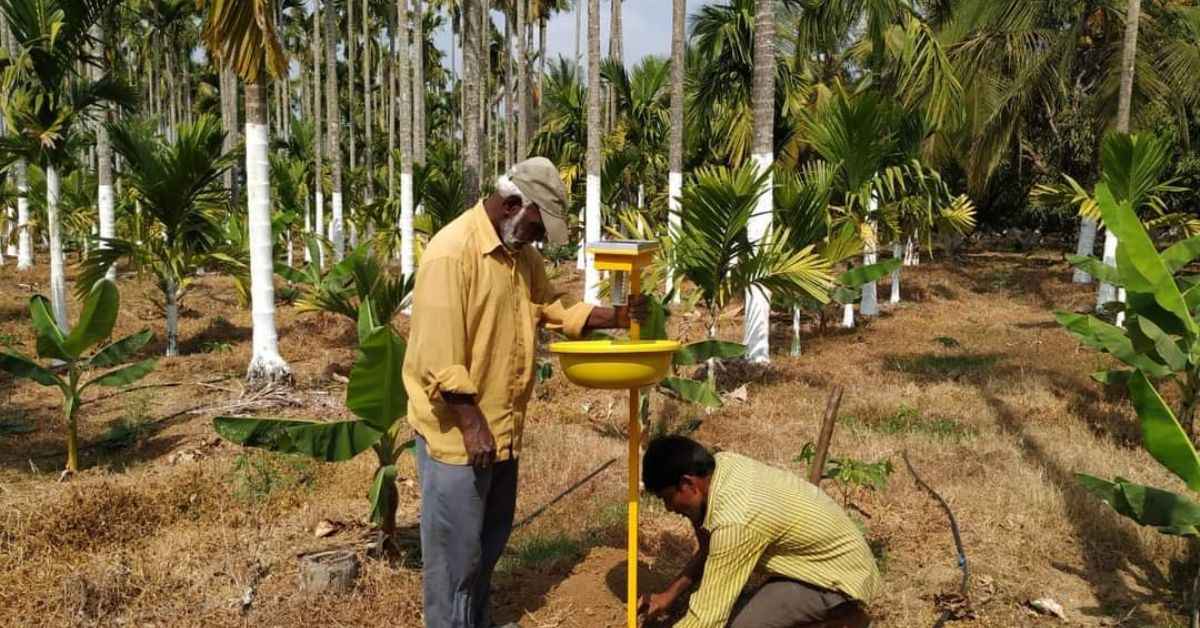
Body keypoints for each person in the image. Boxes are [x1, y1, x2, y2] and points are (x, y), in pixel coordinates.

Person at [403, 156, 647, 628]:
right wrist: (473, 428)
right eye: (538, 225)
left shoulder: (521, 256)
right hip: (459, 435)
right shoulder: (452, 253)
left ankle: (476, 621)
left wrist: (612, 317)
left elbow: (549, 306)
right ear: (514, 203)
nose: (539, 238)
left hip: (503, 430)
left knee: (487, 547)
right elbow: (439, 357)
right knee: (455, 557)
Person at [639, 436, 879, 628]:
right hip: (822, 562)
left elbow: (706, 619)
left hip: (839, 581)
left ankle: (842, 618)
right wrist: (668, 596)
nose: (668, 508)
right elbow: (711, 546)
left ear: (688, 483)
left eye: (668, 498)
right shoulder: (722, 465)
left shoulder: (736, 521)